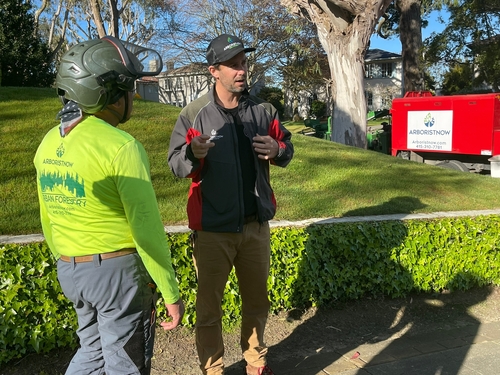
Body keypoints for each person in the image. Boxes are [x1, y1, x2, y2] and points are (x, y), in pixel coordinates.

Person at [33, 36, 184, 375]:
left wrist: (67, 259)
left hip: (71, 269)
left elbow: (48, 216)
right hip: (116, 275)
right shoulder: (121, 146)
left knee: (92, 353)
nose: (134, 96)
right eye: (128, 87)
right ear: (109, 94)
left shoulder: (50, 141)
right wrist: (170, 292)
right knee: (125, 364)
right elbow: (147, 230)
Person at [167, 34, 294, 375]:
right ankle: (213, 369)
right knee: (209, 310)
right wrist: (192, 154)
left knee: (256, 303)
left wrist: (278, 151)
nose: (242, 71)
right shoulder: (194, 114)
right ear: (214, 71)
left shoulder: (263, 110)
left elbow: (286, 147)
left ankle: (255, 363)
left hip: (255, 228)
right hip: (212, 231)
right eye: (233, 65)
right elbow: (176, 165)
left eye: (244, 64)